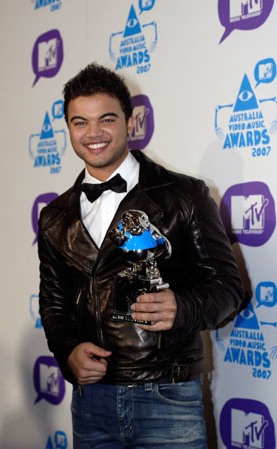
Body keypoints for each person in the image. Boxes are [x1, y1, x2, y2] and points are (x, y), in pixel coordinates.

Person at [38, 63, 244, 449]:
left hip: (167, 398)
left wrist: (183, 308)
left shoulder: (184, 195)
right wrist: (67, 352)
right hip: (89, 404)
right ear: (67, 128)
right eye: (80, 122)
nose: (93, 133)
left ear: (130, 123)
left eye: (107, 119)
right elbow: (54, 302)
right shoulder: (54, 217)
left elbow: (228, 290)